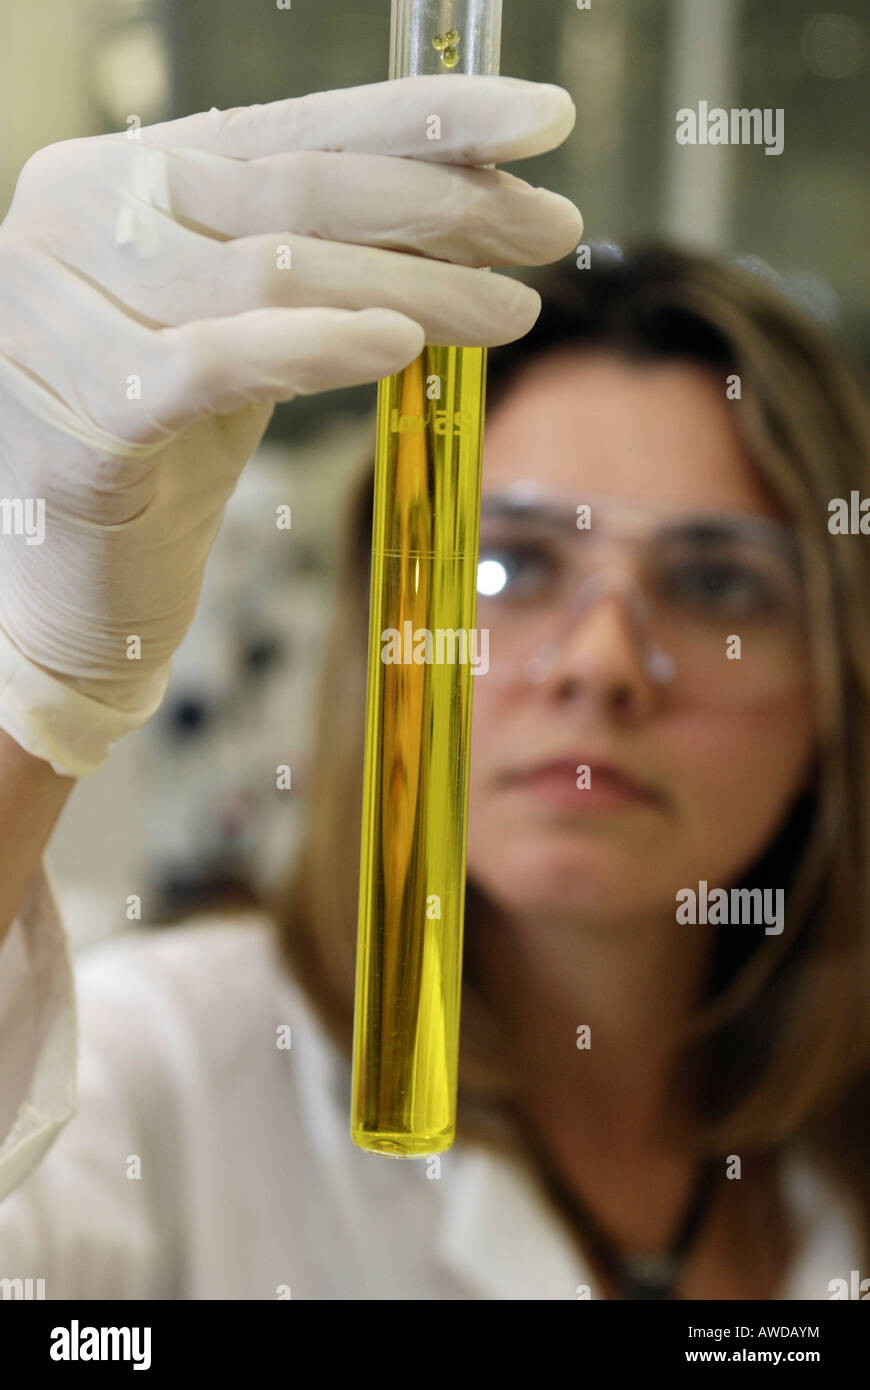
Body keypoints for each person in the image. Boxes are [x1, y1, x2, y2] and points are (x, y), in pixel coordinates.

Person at [0, 81, 868, 1303]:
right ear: (386, 631)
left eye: (717, 582)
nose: (601, 664)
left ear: (837, 679)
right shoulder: (165, 1081)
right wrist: (30, 706)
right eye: (513, 563)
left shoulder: (833, 1160)